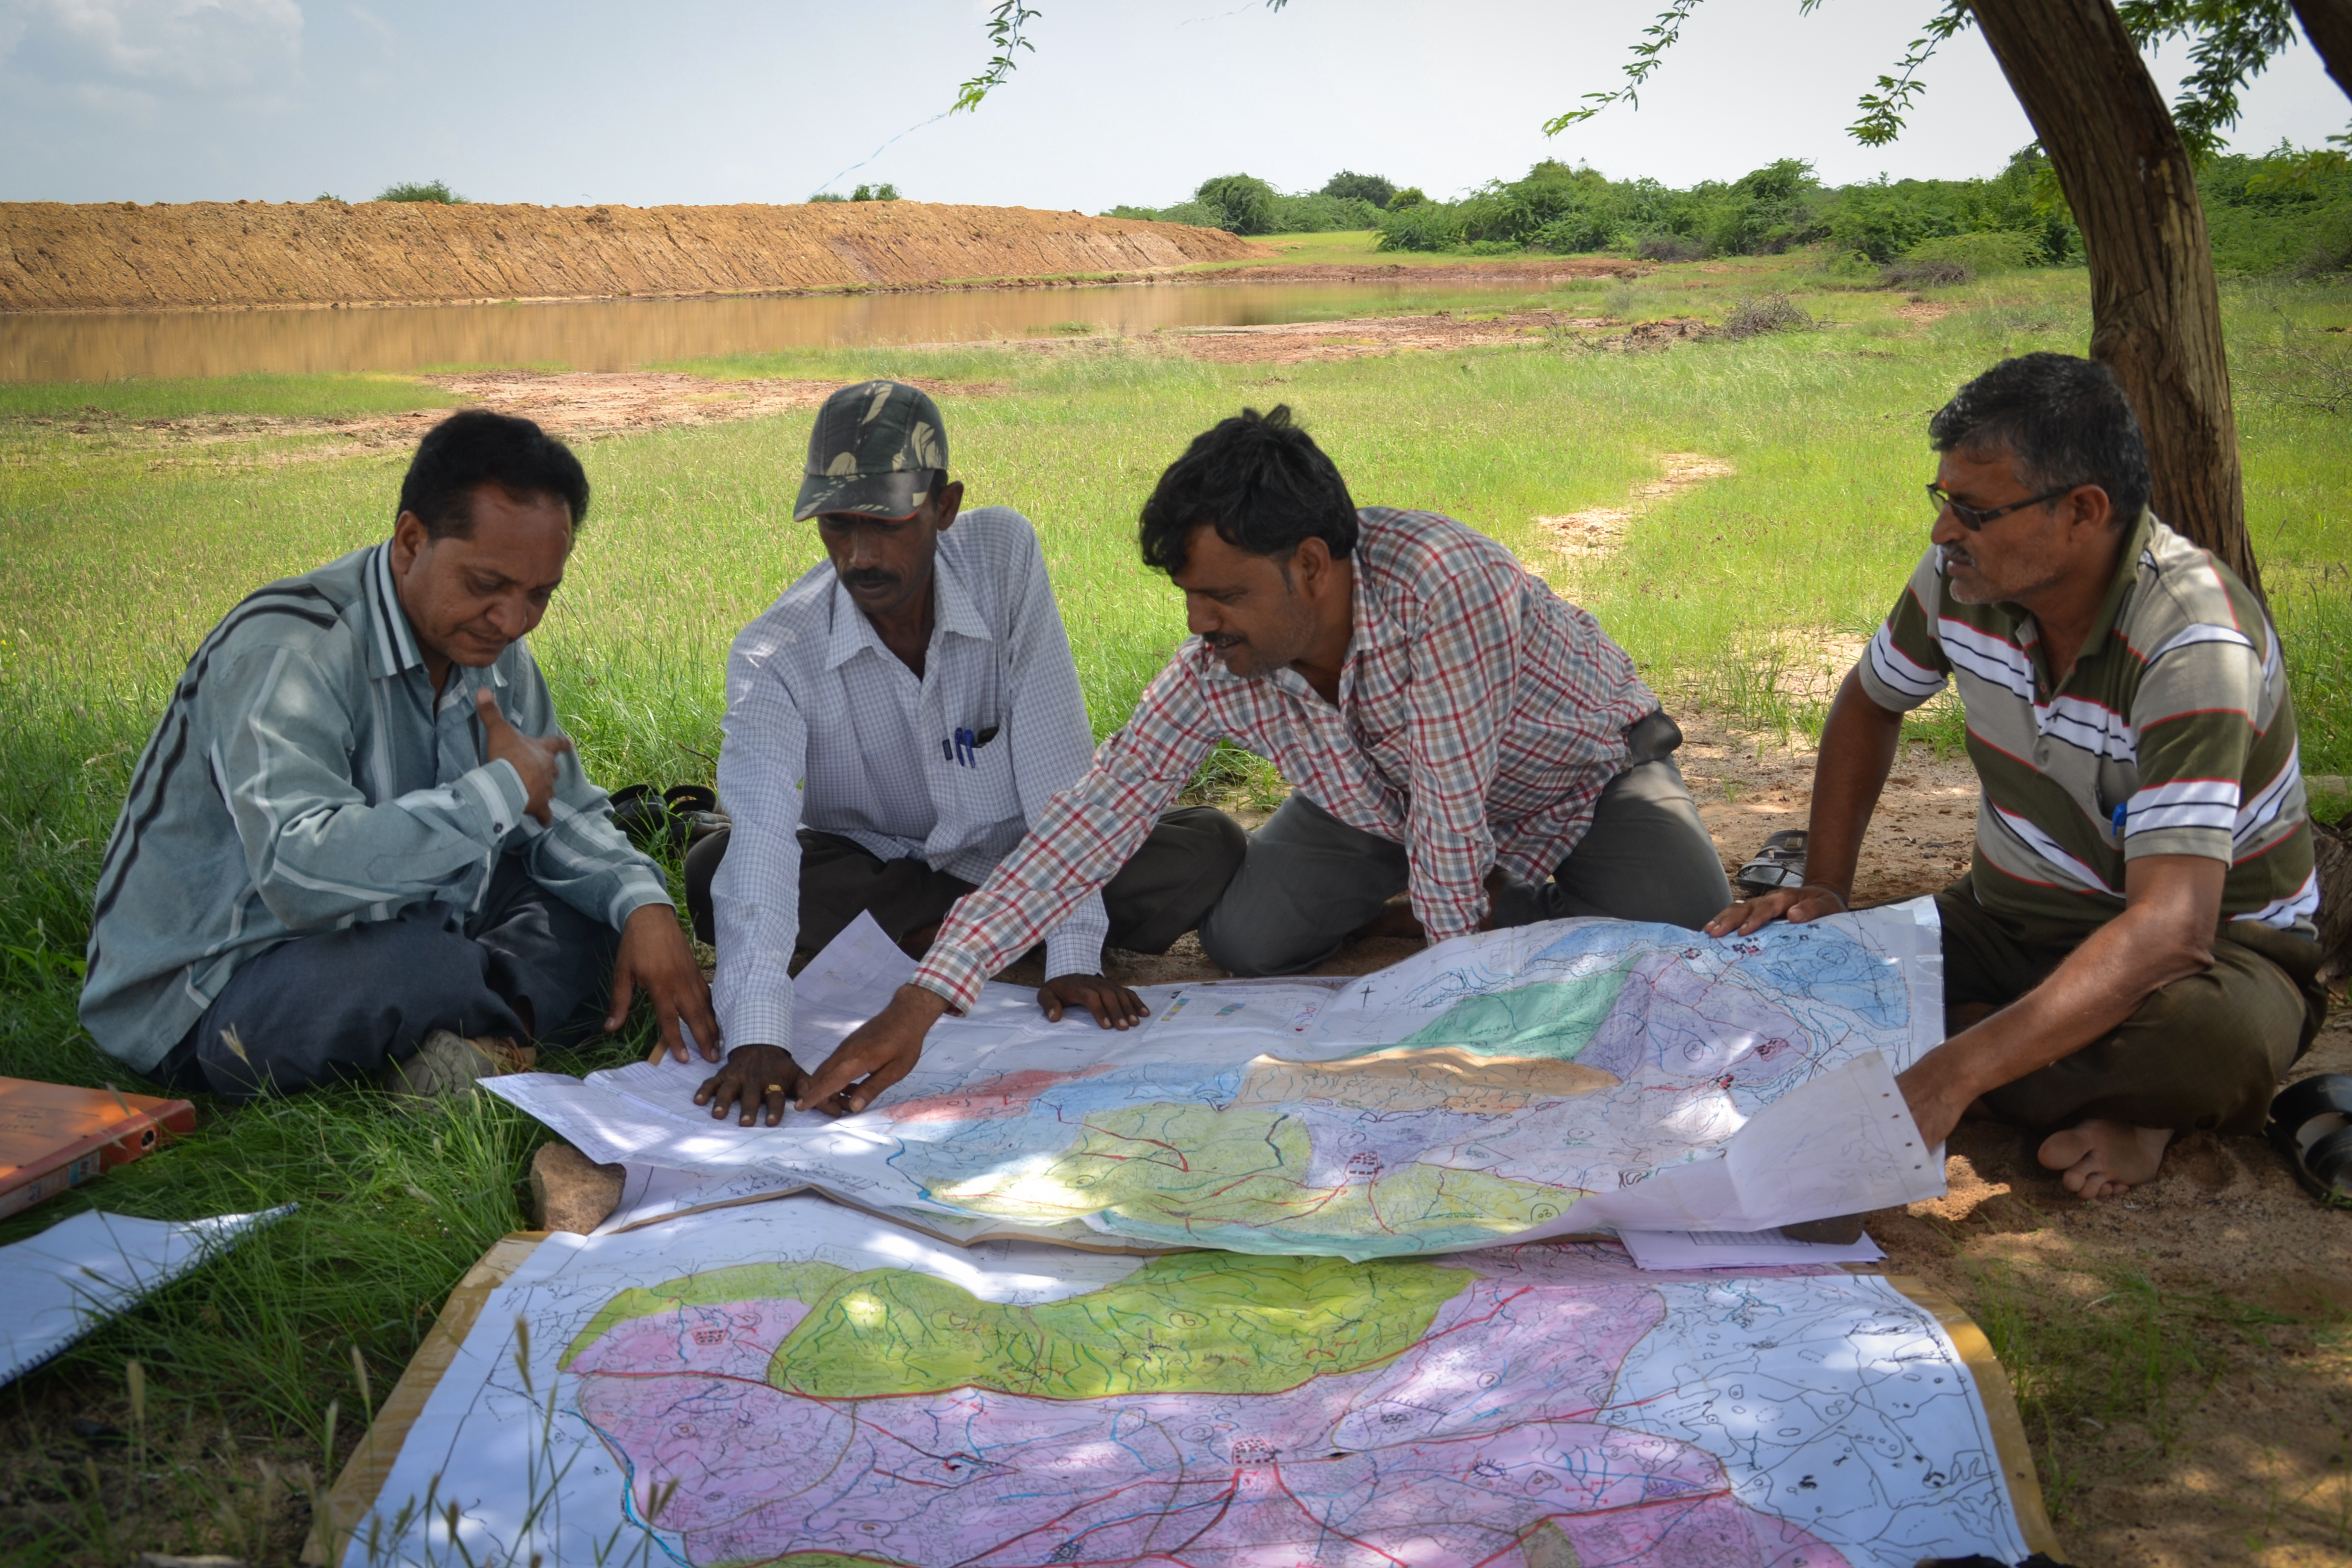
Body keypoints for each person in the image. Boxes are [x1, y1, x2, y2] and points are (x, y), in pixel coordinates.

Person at [769, 402, 1732, 1117]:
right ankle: (1491, 912)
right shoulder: (1222, 659)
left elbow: (1448, 813)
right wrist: (923, 1001)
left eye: (1223, 594)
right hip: (1376, 813)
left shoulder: (1445, 587)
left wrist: (1468, 1044)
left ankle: (1499, 907)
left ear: (1311, 564)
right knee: (1247, 944)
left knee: (1689, 928)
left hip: (1578, 783)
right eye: (1190, 595)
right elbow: (1090, 823)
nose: (1199, 623)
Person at [1709, 353, 2325, 1199]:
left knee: (2208, 1046)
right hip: (2003, 922)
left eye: (1973, 510)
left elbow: (2170, 931)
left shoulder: (2193, 643)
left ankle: (2069, 1084)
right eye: (1943, 501)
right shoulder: (1963, 578)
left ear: (2082, 511)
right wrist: (1825, 887)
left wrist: (1947, 1078)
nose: (1942, 533)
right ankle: (2045, 1071)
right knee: (1770, 972)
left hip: (2209, 960)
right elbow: (1870, 701)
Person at [80, 410, 718, 1103]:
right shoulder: (289, 652)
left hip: (420, 917)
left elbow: (560, 811)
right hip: (225, 980)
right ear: (412, 541)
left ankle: (477, 1043)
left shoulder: (492, 651)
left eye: (540, 595)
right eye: (486, 585)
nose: (513, 621)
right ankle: (487, 1022)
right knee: (414, 967)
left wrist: (644, 907)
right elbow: (302, 874)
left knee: (595, 909)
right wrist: (498, 794)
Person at [688, 381, 1246, 1126]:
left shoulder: (1002, 558)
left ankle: (973, 938)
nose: (859, 556)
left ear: (944, 509)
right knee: (718, 869)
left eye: (887, 525)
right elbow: (762, 832)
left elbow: (1063, 776)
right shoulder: (776, 654)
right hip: (881, 868)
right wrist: (757, 1034)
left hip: (1022, 858)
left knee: (1206, 841)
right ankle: (998, 936)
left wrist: (1074, 955)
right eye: (837, 527)